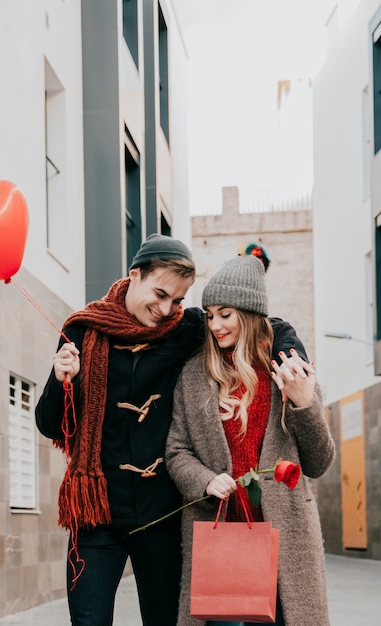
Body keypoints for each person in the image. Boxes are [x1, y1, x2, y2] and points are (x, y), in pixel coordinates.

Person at [35, 235, 309, 626]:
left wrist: (292, 358)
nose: (166, 309)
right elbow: (49, 423)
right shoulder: (84, 332)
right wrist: (64, 382)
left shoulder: (186, 329)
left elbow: (266, 323)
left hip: (161, 516)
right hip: (96, 517)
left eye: (178, 301)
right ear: (135, 275)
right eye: (160, 294)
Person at [165, 253, 335, 626]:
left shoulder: (288, 369)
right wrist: (205, 480)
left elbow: (320, 462)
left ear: (249, 312)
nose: (215, 325)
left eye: (225, 314)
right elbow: (176, 450)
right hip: (220, 542)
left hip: (284, 542)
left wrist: (304, 402)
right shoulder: (195, 375)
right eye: (209, 315)